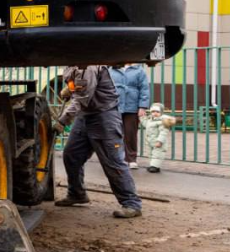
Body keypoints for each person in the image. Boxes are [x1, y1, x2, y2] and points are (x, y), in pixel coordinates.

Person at [53, 65, 143, 219]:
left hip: (104, 116)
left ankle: (131, 203)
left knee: (112, 161)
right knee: (71, 155)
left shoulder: (88, 65)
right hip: (85, 115)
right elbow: (79, 89)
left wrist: (62, 121)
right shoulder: (71, 64)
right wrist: (70, 89)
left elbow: (82, 99)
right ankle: (77, 193)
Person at [109, 63, 150, 168]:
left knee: (130, 134)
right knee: (114, 134)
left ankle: (131, 159)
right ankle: (115, 158)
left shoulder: (139, 70)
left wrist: (142, 107)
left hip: (132, 107)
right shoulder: (111, 69)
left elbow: (144, 89)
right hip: (114, 106)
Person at [142, 103, 174, 173]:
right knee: (150, 154)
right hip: (150, 141)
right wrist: (142, 117)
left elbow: (163, 132)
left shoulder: (163, 121)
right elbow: (145, 124)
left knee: (158, 154)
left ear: (161, 112)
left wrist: (159, 141)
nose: (155, 113)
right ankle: (154, 166)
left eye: (157, 112)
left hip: (158, 142)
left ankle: (154, 166)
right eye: (153, 112)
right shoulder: (150, 120)